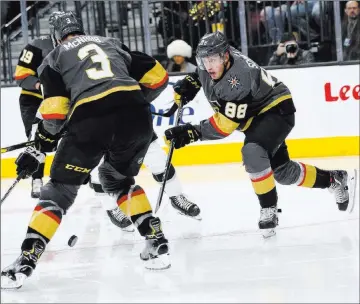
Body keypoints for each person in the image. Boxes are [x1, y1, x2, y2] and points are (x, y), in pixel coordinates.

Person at [1, 12, 171, 290]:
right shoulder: (111, 43)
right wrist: (132, 99)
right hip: (137, 117)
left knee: (60, 191)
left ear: (56, 37)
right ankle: (154, 236)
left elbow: (54, 114)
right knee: (116, 179)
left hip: (92, 121)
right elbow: (159, 77)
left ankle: (25, 261)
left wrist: (41, 145)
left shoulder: (53, 57)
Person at [164, 31, 357, 238]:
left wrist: (191, 132)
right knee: (282, 172)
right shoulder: (214, 63)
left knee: (253, 152)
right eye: (203, 61)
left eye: (212, 60)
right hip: (255, 118)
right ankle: (334, 179)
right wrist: (192, 82)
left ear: (225, 56)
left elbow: (225, 126)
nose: (208, 65)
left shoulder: (238, 78)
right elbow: (204, 75)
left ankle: (269, 210)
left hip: (275, 109)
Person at [13, 11, 65, 198]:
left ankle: (67, 177)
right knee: (36, 140)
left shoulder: (72, 46)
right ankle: (37, 179)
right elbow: (21, 75)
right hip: (34, 99)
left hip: (60, 99)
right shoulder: (36, 46)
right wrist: (41, 85)